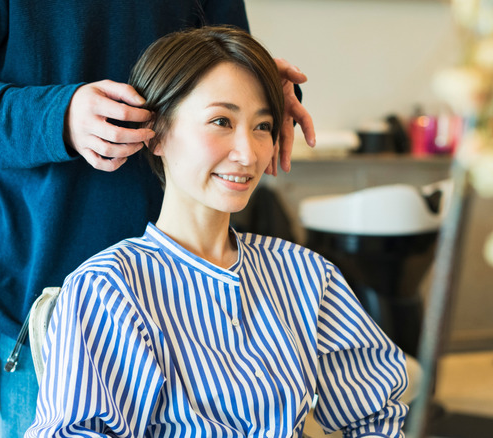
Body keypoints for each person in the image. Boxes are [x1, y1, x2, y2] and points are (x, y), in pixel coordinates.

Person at [0, 2, 314, 436]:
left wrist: (257, 88)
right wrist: (57, 116)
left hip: (189, 304)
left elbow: (221, 55)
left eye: (261, 127)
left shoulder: (305, 278)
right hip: (39, 306)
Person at [26, 26, 408, 438]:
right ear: (156, 132)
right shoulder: (108, 290)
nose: (248, 154)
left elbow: (376, 417)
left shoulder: (305, 275)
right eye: (221, 121)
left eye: (263, 126)